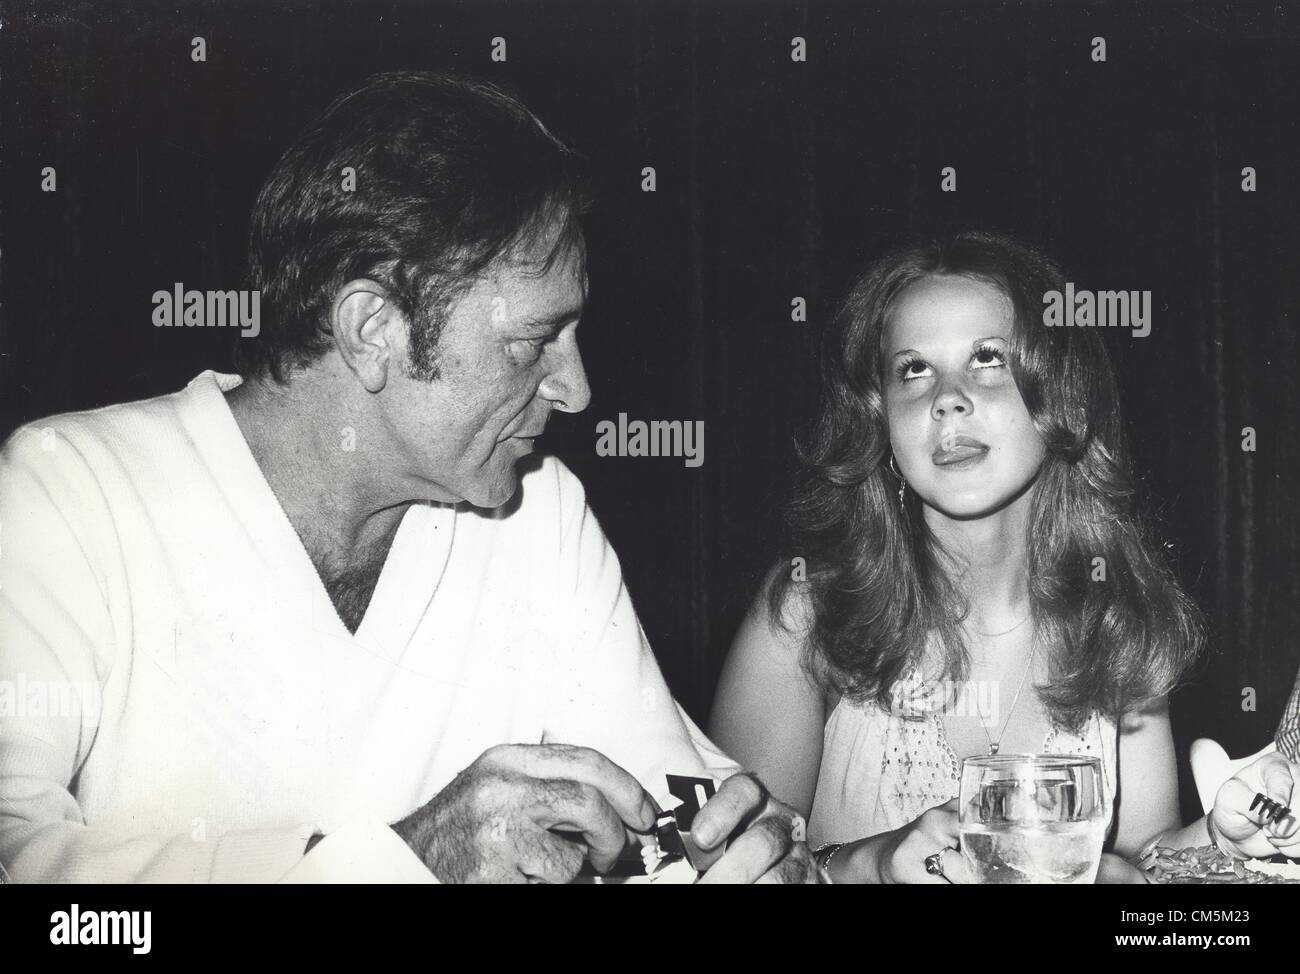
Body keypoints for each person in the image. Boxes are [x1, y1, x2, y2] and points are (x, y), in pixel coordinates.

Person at [0, 71, 814, 884]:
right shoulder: (69, 491)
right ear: (373, 329)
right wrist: (401, 864)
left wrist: (737, 858)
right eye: (537, 339)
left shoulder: (541, 514)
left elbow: (668, 815)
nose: (578, 389)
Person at [710, 231, 1299, 882]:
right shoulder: (807, 610)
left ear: (1061, 400)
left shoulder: (1112, 618)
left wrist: (1221, 838)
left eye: (988, 358)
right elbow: (728, 862)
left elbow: (1135, 867)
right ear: (879, 421)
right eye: (913, 369)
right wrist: (867, 865)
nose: (947, 397)